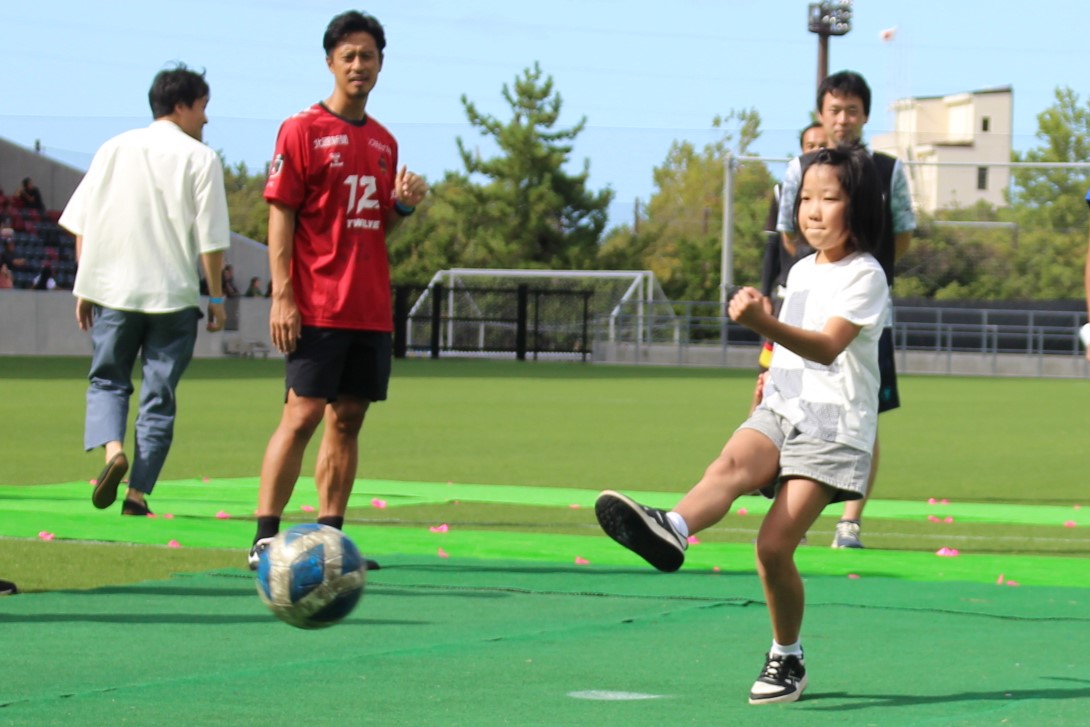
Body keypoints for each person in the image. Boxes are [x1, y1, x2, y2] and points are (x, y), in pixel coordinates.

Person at [596, 144, 889, 706]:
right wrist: (767, 368)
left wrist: (761, 321)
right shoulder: (799, 269)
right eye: (806, 198)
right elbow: (789, 340)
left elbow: (827, 346)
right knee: (729, 464)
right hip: (783, 403)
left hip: (831, 427)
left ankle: (787, 656)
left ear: (858, 207)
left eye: (829, 198)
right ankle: (673, 526)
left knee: (773, 547)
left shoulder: (865, 274)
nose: (813, 210)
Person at [248, 11, 428, 569]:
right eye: (348, 56)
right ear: (329, 62)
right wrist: (283, 296)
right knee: (301, 415)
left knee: (348, 419)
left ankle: (331, 538)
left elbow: (374, 227)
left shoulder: (384, 142)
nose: (358, 65)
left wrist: (402, 207)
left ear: (381, 64)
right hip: (317, 304)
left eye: (367, 56)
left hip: (368, 308)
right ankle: (264, 539)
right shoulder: (301, 130)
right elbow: (281, 214)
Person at [58, 64, 229, 516]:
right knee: (160, 395)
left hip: (113, 291)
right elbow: (211, 240)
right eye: (203, 107)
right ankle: (137, 495)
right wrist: (216, 297)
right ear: (182, 106)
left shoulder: (112, 148)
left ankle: (113, 450)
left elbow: (83, 223)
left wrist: (85, 284)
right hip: (173, 297)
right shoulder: (201, 158)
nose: (206, 118)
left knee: (107, 380)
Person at [775, 70, 916, 549]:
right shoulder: (798, 167)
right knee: (786, 404)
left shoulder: (888, 170)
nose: (843, 119)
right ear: (820, 114)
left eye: (852, 110)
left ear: (866, 116)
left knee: (864, 410)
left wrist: (862, 269)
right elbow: (788, 233)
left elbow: (903, 231)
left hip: (863, 316)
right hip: (805, 314)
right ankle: (789, 511)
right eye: (834, 110)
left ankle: (849, 523)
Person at [751, 121, 829, 411]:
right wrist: (765, 292)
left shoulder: (847, 193)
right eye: (811, 146)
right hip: (788, 297)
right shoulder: (783, 191)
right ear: (801, 151)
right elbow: (773, 246)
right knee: (768, 368)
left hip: (827, 297)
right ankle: (761, 422)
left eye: (823, 145)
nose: (817, 151)